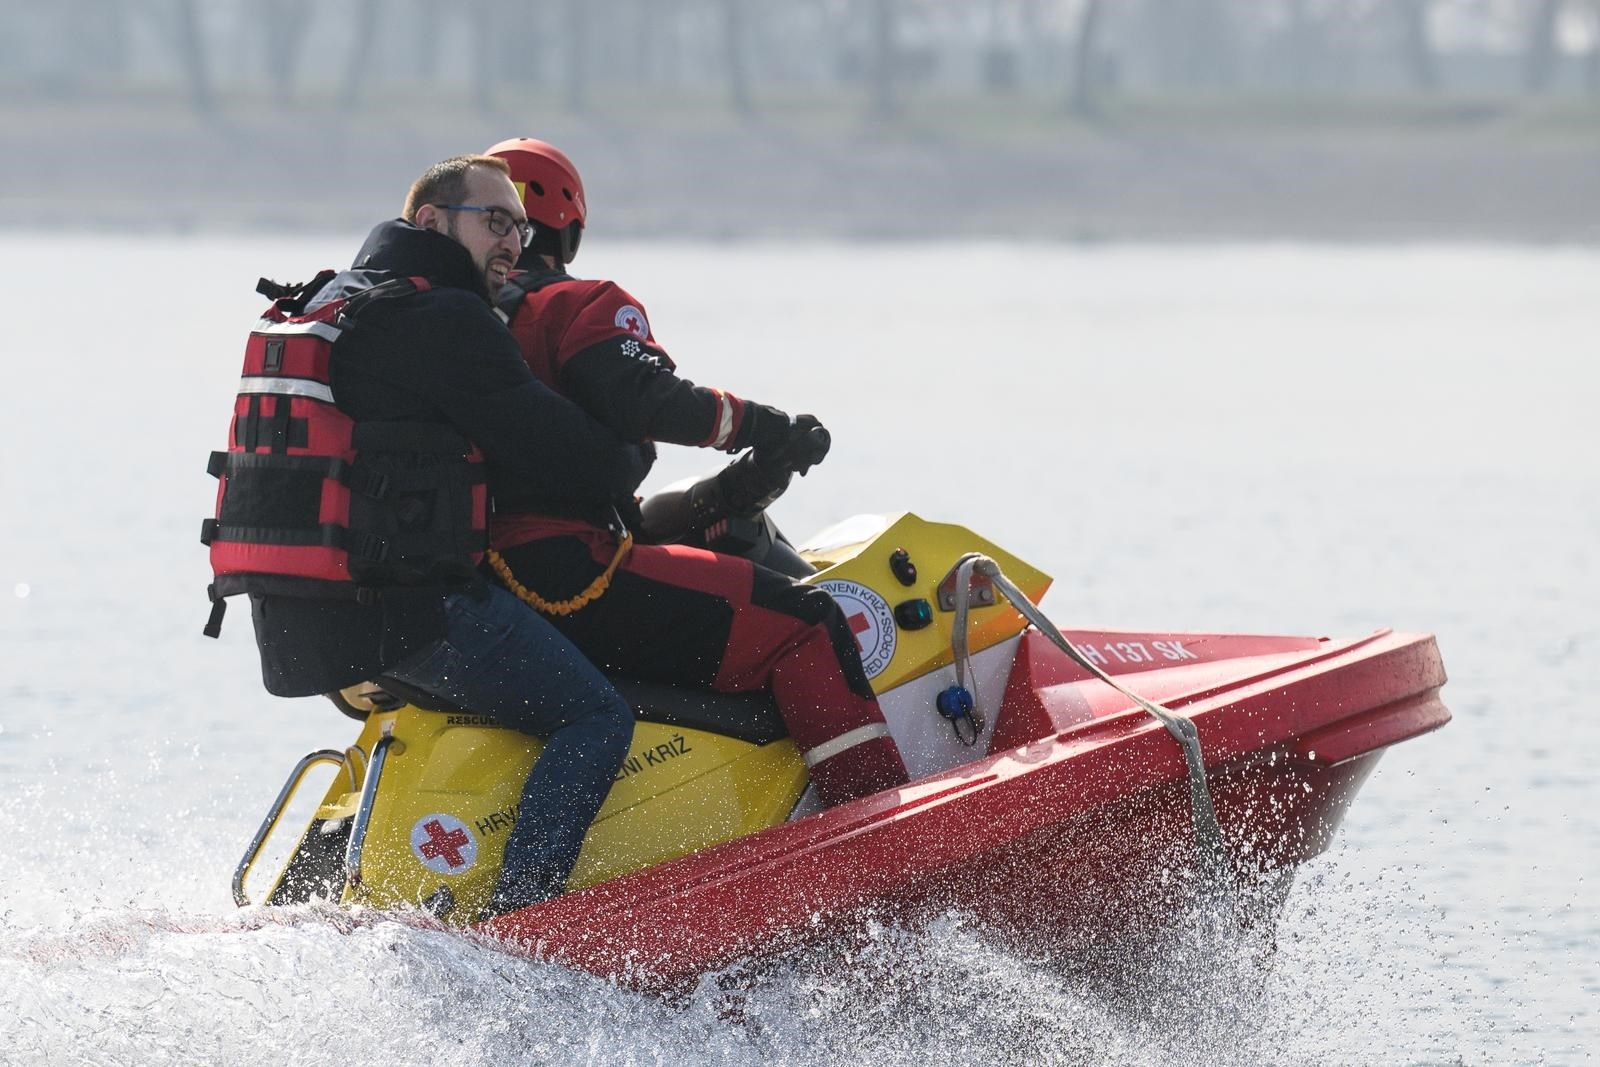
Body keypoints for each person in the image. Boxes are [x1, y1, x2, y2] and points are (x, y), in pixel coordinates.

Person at [203, 154, 643, 914]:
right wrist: (634, 446)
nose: (512, 240)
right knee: (594, 714)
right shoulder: (444, 316)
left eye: (521, 224)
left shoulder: (340, 299)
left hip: (296, 618)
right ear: (432, 221)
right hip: (401, 611)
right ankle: (525, 920)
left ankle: (329, 894)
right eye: (494, 220)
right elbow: (565, 450)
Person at [477, 137, 910, 807]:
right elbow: (648, 399)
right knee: (807, 623)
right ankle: (883, 829)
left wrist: (733, 487)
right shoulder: (575, 305)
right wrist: (764, 425)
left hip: (485, 588)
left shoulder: (455, 322)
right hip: (569, 573)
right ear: (567, 221)